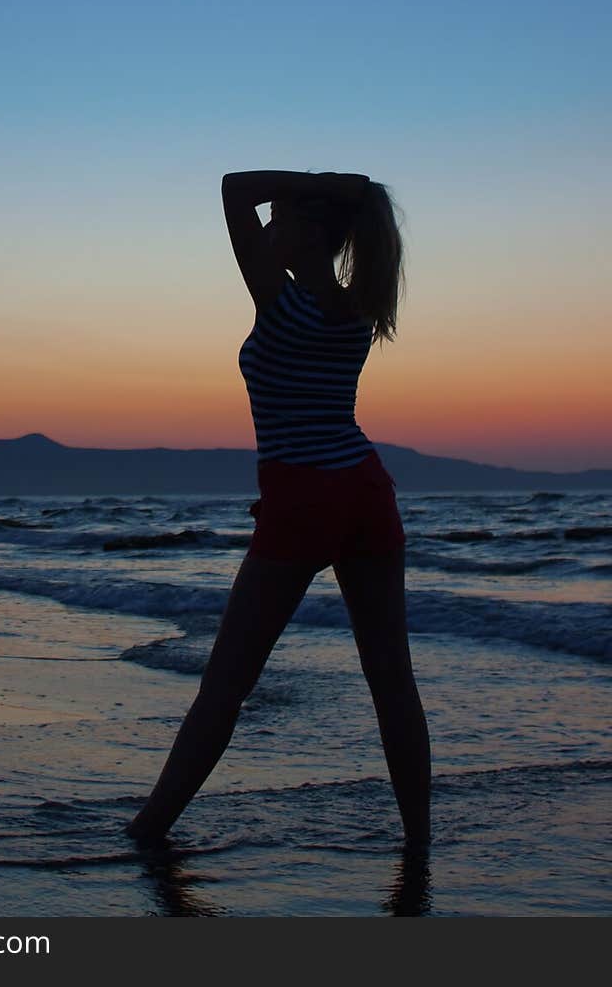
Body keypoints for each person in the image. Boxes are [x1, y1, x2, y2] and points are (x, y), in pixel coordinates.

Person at [125, 169, 431, 851]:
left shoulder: (279, 301)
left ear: (312, 230)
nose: (268, 230)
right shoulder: (361, 305)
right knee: (392, 683)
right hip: (364, 489)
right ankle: (420, 841)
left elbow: (234, 187)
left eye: (282, 219)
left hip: (302, 495)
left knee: (226, 684)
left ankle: (147, 830)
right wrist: (334, 195)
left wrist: (315, 182)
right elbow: (259, 206)